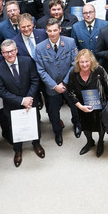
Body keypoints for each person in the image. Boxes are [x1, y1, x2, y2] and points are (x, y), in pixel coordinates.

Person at [0, 40, 44, 163]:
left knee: (35, 123)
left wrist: (29, 99)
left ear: (16, 50)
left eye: (11, 51)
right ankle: (18, 150)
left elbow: (35, 80)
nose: (9, 54)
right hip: (12, 105)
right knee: (14, 129)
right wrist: (22, 101)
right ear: (2, 53)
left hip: (31, 101)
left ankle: (36, 144)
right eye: (6, 52)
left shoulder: (27, 61)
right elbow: (1, 91)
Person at [36, 18, 81, 146]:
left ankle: (77, 124)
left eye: (55, 30)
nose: (53, 33)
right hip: (52, 87)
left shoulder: (70, 42)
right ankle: (57, 132)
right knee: (53, 112)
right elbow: (41, 71)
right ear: (46, 31)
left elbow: (74, 64)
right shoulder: (40, 48)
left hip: (69, 83)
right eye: (50, 31)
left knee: (74, 106)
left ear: (60, 30)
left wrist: (65, 83)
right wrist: (55, 86)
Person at [65, 49, 108, 157]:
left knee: (100, 127)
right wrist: (80, 106)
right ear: (78, 62)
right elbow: (70, 92)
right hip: (83, 107)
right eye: (81, 62)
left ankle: (101, 142)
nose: (84, 64)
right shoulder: (73, 73)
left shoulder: (99, 70)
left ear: (91, 61)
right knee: (86, 127)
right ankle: (90, 142)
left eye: (87, 61)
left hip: (100, 106)